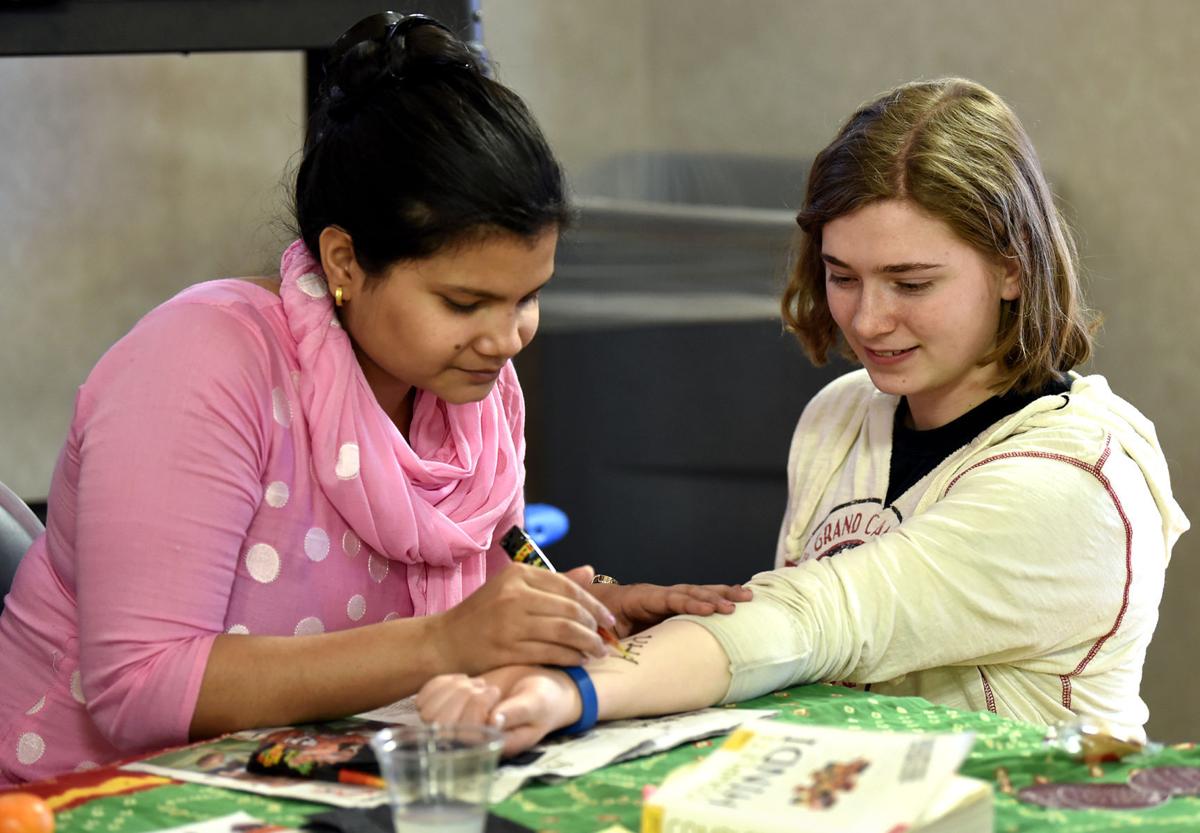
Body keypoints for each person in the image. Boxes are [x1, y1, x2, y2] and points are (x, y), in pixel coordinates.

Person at [0, 12, 748, 783]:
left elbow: (476, 594)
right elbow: (143, 686)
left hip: (308, 780)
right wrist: (445, 642)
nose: (508, 337)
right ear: (345, 260)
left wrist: (578, 615)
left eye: (528, 297)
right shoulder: (199, 366)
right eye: (464, 302)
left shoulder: (470, 387)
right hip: (82, 793)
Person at [416, 77, 1189, 755]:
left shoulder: (1075, 480)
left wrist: (576, 692)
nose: (869, 319)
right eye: (841, 276)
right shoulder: (841, 415)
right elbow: (797, 647)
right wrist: (619, 648)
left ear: (1013, 268)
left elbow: (820, 616)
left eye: (911, 282)